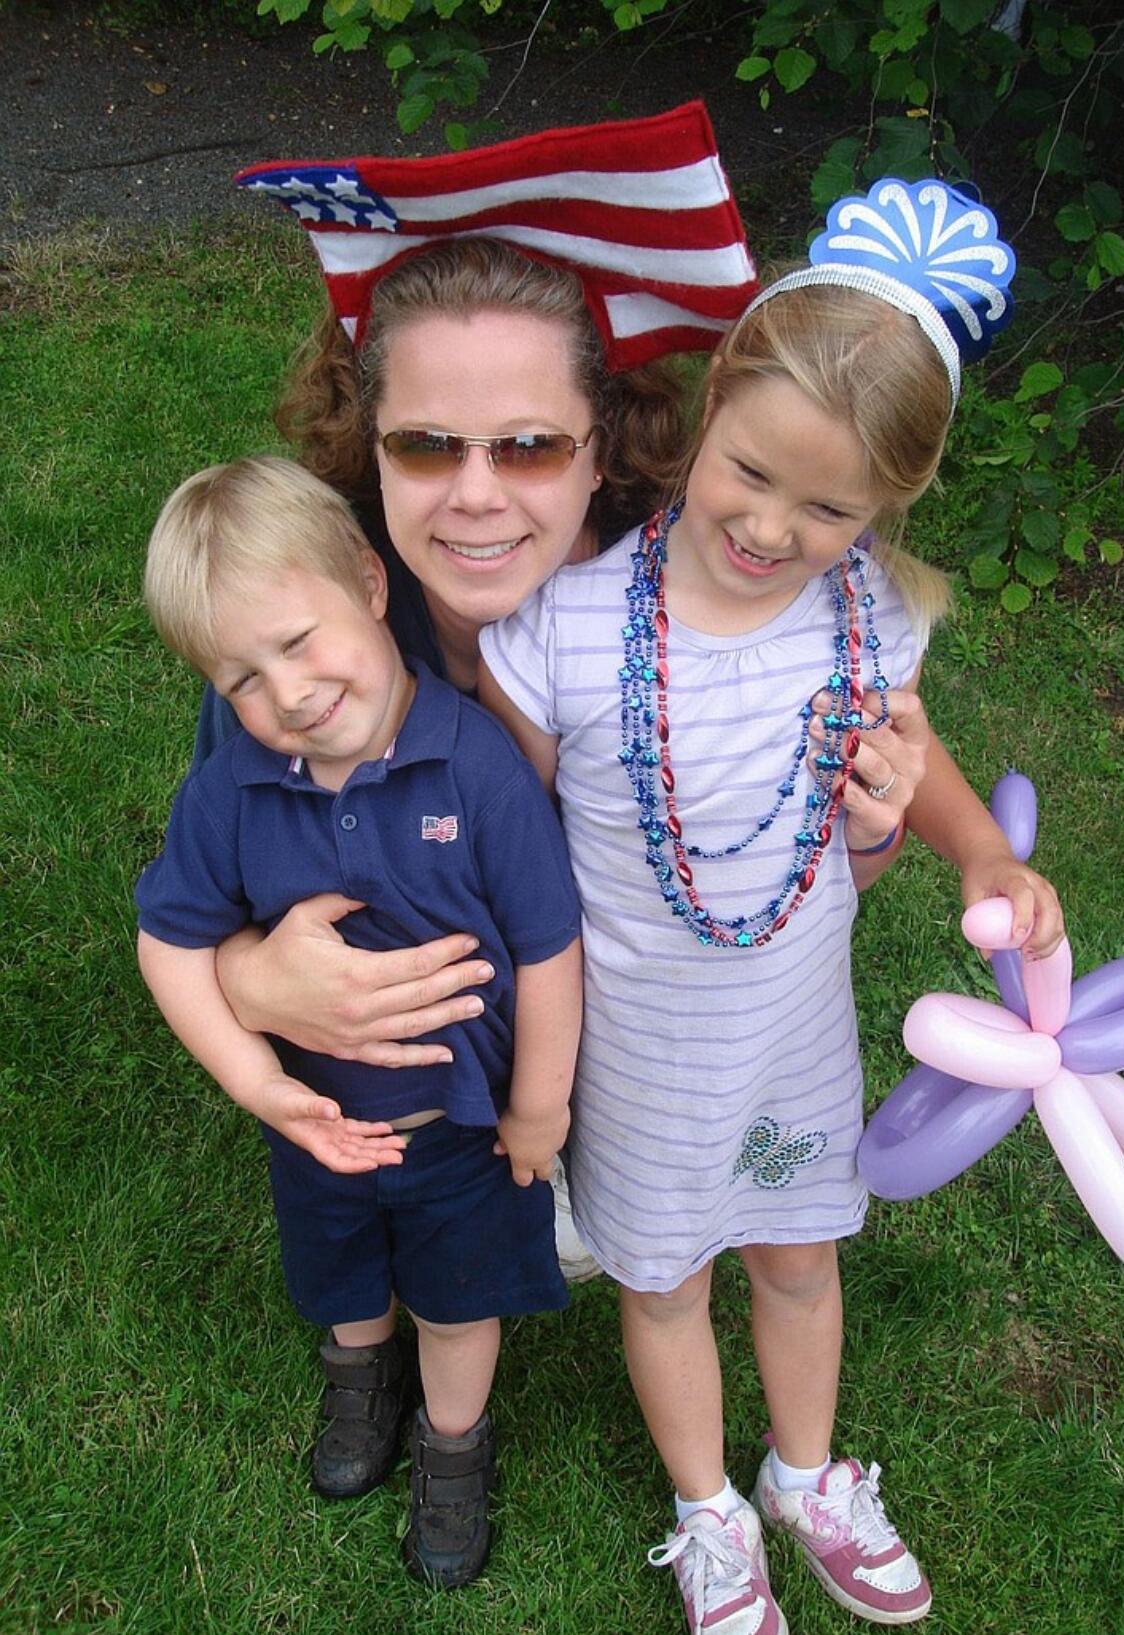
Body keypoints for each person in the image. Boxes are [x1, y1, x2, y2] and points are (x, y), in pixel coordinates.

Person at [478, 178, 1064, 1630]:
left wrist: (975, 848)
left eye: (830, 506)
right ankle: (707, 1509)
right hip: (636, 1041)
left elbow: (905, 753)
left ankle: (805, 1472)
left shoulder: (867, 613)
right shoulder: (564, 628)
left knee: (800, 1255)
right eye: (748, 473)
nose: (770, 524)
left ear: (887, 508)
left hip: (791, 1020)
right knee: (665, 1274)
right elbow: (518, 833)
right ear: (711, 407)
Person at [207, 105, 760, 1290]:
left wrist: (863, 836)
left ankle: (587, 1153)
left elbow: (766, 904)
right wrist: (254, 980)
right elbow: (214, 873)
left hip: (630, 1039)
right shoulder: (314, 635)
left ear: (602, 448)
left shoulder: (684, 633)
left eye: (526, 447)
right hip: (393, 1101)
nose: (472, 496)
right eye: (423, 445)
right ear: (369, 441)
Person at [135, 455, 583, 1587]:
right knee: (340, 1273)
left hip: (461, 1128)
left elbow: (547, 946)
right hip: (319, 1122)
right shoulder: (232, 790)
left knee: (458, 1293)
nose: (284, 693)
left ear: (370, 589)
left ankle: (450, 1442)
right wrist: (257, 1084)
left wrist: (539, 1108)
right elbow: (170, 937)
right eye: (240, 677)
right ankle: (360, 1379)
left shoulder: (474, 767)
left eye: (298, 642)